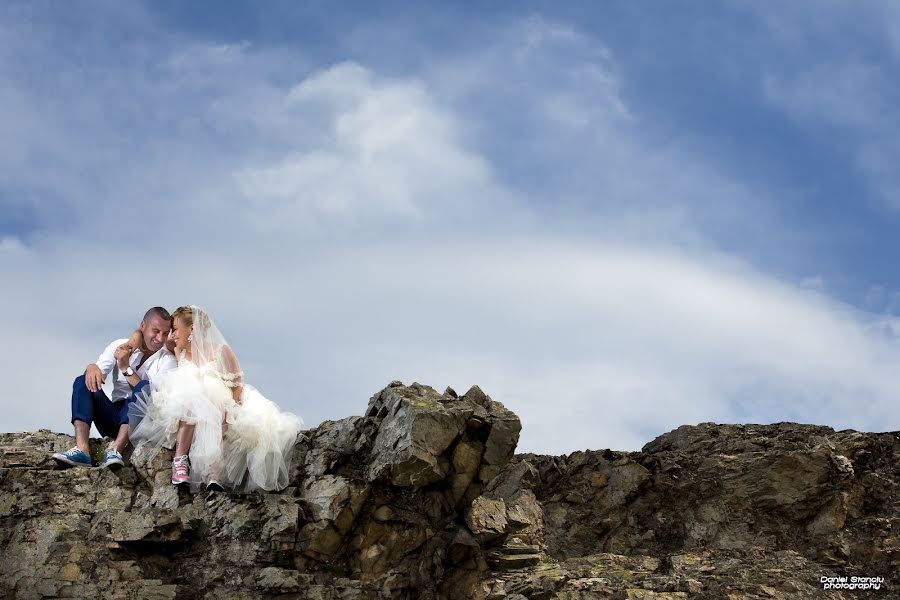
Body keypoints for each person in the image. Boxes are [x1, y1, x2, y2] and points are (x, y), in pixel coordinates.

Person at [129, 305, 303, 492]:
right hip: (188, 405)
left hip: (220, 402)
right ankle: (181, 461)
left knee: (209, 400)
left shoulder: (220, 350)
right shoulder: (179, 350)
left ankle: (213, 473)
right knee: (192, 398)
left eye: (175, 329)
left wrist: (233, 408)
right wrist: (136, 336)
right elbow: (148, 336)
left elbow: (237, 383)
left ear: (192, 329)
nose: (172, 334)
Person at [52, 307, 177, 468]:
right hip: (112, 416)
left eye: (165, 333)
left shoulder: (168, 360)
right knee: (82, 380)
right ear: (143, 326)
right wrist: (92, 368)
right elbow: (96, 374)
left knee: (143, 388)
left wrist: (126, 368)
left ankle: (116, 449)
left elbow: (152, 396)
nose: (160, 338)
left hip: (138, 422)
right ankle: (82, 449)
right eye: (156, 331)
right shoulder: (120, 345)